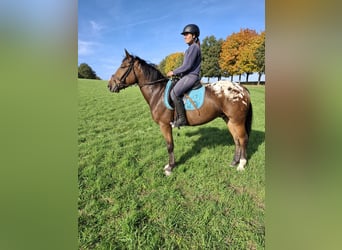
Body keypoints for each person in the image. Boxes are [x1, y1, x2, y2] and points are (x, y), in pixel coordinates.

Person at [167, 24, 201, 128]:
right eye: (184, 34)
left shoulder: (194, 48)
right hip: (187, 75)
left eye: (187, 34)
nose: (184, 36)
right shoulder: (190, 48)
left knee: (174, 94)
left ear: (194, 35)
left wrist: (174, 72)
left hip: (191, 76)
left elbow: (187, 66)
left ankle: (182, 119)